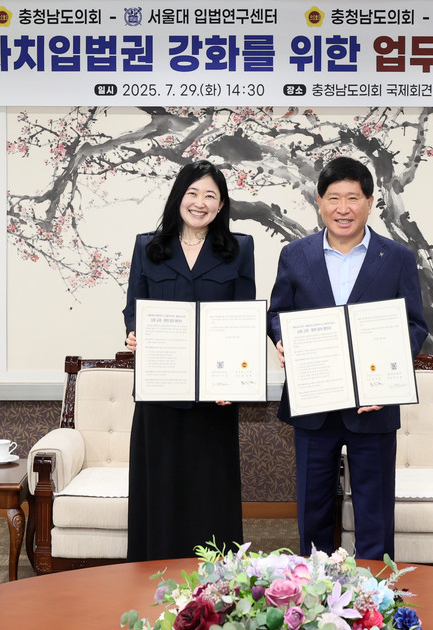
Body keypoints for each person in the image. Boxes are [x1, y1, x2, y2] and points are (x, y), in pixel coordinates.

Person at [267, 156, 428, 560]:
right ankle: (315, 588)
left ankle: (375, 589)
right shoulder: (294, 255)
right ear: (319, 202)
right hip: (313, 403)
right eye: (334, 198)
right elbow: (278, 314)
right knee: (313, 510)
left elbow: (414, 326)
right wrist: (282, 339)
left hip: (373, 405)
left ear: (369, 203)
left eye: (353, 198)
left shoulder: (397, 257)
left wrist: (385, 382)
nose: (343, 208)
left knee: (375, 512)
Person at [123, 159, 255, 561]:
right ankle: (152, 573)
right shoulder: (148, 247)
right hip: (160, 394)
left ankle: (217, 579)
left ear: (221, 205)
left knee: (211, 490)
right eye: (192, 193)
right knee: (160, 489)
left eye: (210, 196)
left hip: (215, 397)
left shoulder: (239, 249)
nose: (200, 202)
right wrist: (133, 333)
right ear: (179, 196)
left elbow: (243, 318)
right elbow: (134, 308)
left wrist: (235, 382)